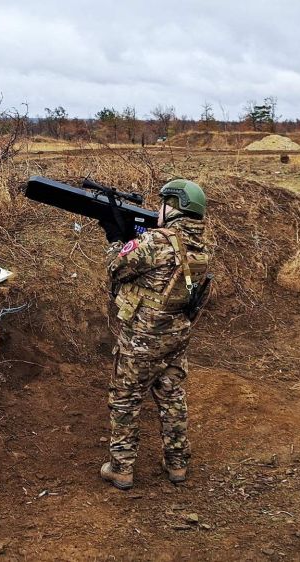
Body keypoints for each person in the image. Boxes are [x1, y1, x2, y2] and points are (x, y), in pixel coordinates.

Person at [97, 179, 210, 489]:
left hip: (142, 340)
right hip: (176, 337)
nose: (156, 209)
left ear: (173, 206)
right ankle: (177, 465)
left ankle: (121, 468)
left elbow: (116, 269)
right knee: (171, 397)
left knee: (126, 401)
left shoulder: (156, 243)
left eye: (162, 203)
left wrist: (116, 237)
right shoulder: (199, 246)